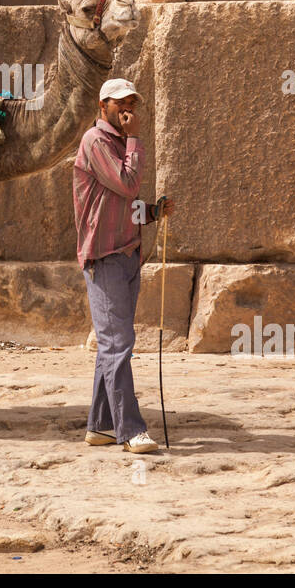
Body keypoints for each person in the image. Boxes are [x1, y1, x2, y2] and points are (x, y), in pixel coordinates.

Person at [73, 77, 172, 454]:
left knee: (112, 346)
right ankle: (131, 431)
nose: (127, 109)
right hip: (105, 257)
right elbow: (127, 184)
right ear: (104, 108)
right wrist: (135, 139)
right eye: (120, 103)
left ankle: (100, 427)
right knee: (118, 344)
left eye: (132, 102)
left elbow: (124, 203)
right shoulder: (96, 141)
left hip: (128, 252)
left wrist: (153, 212)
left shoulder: (118, 144)